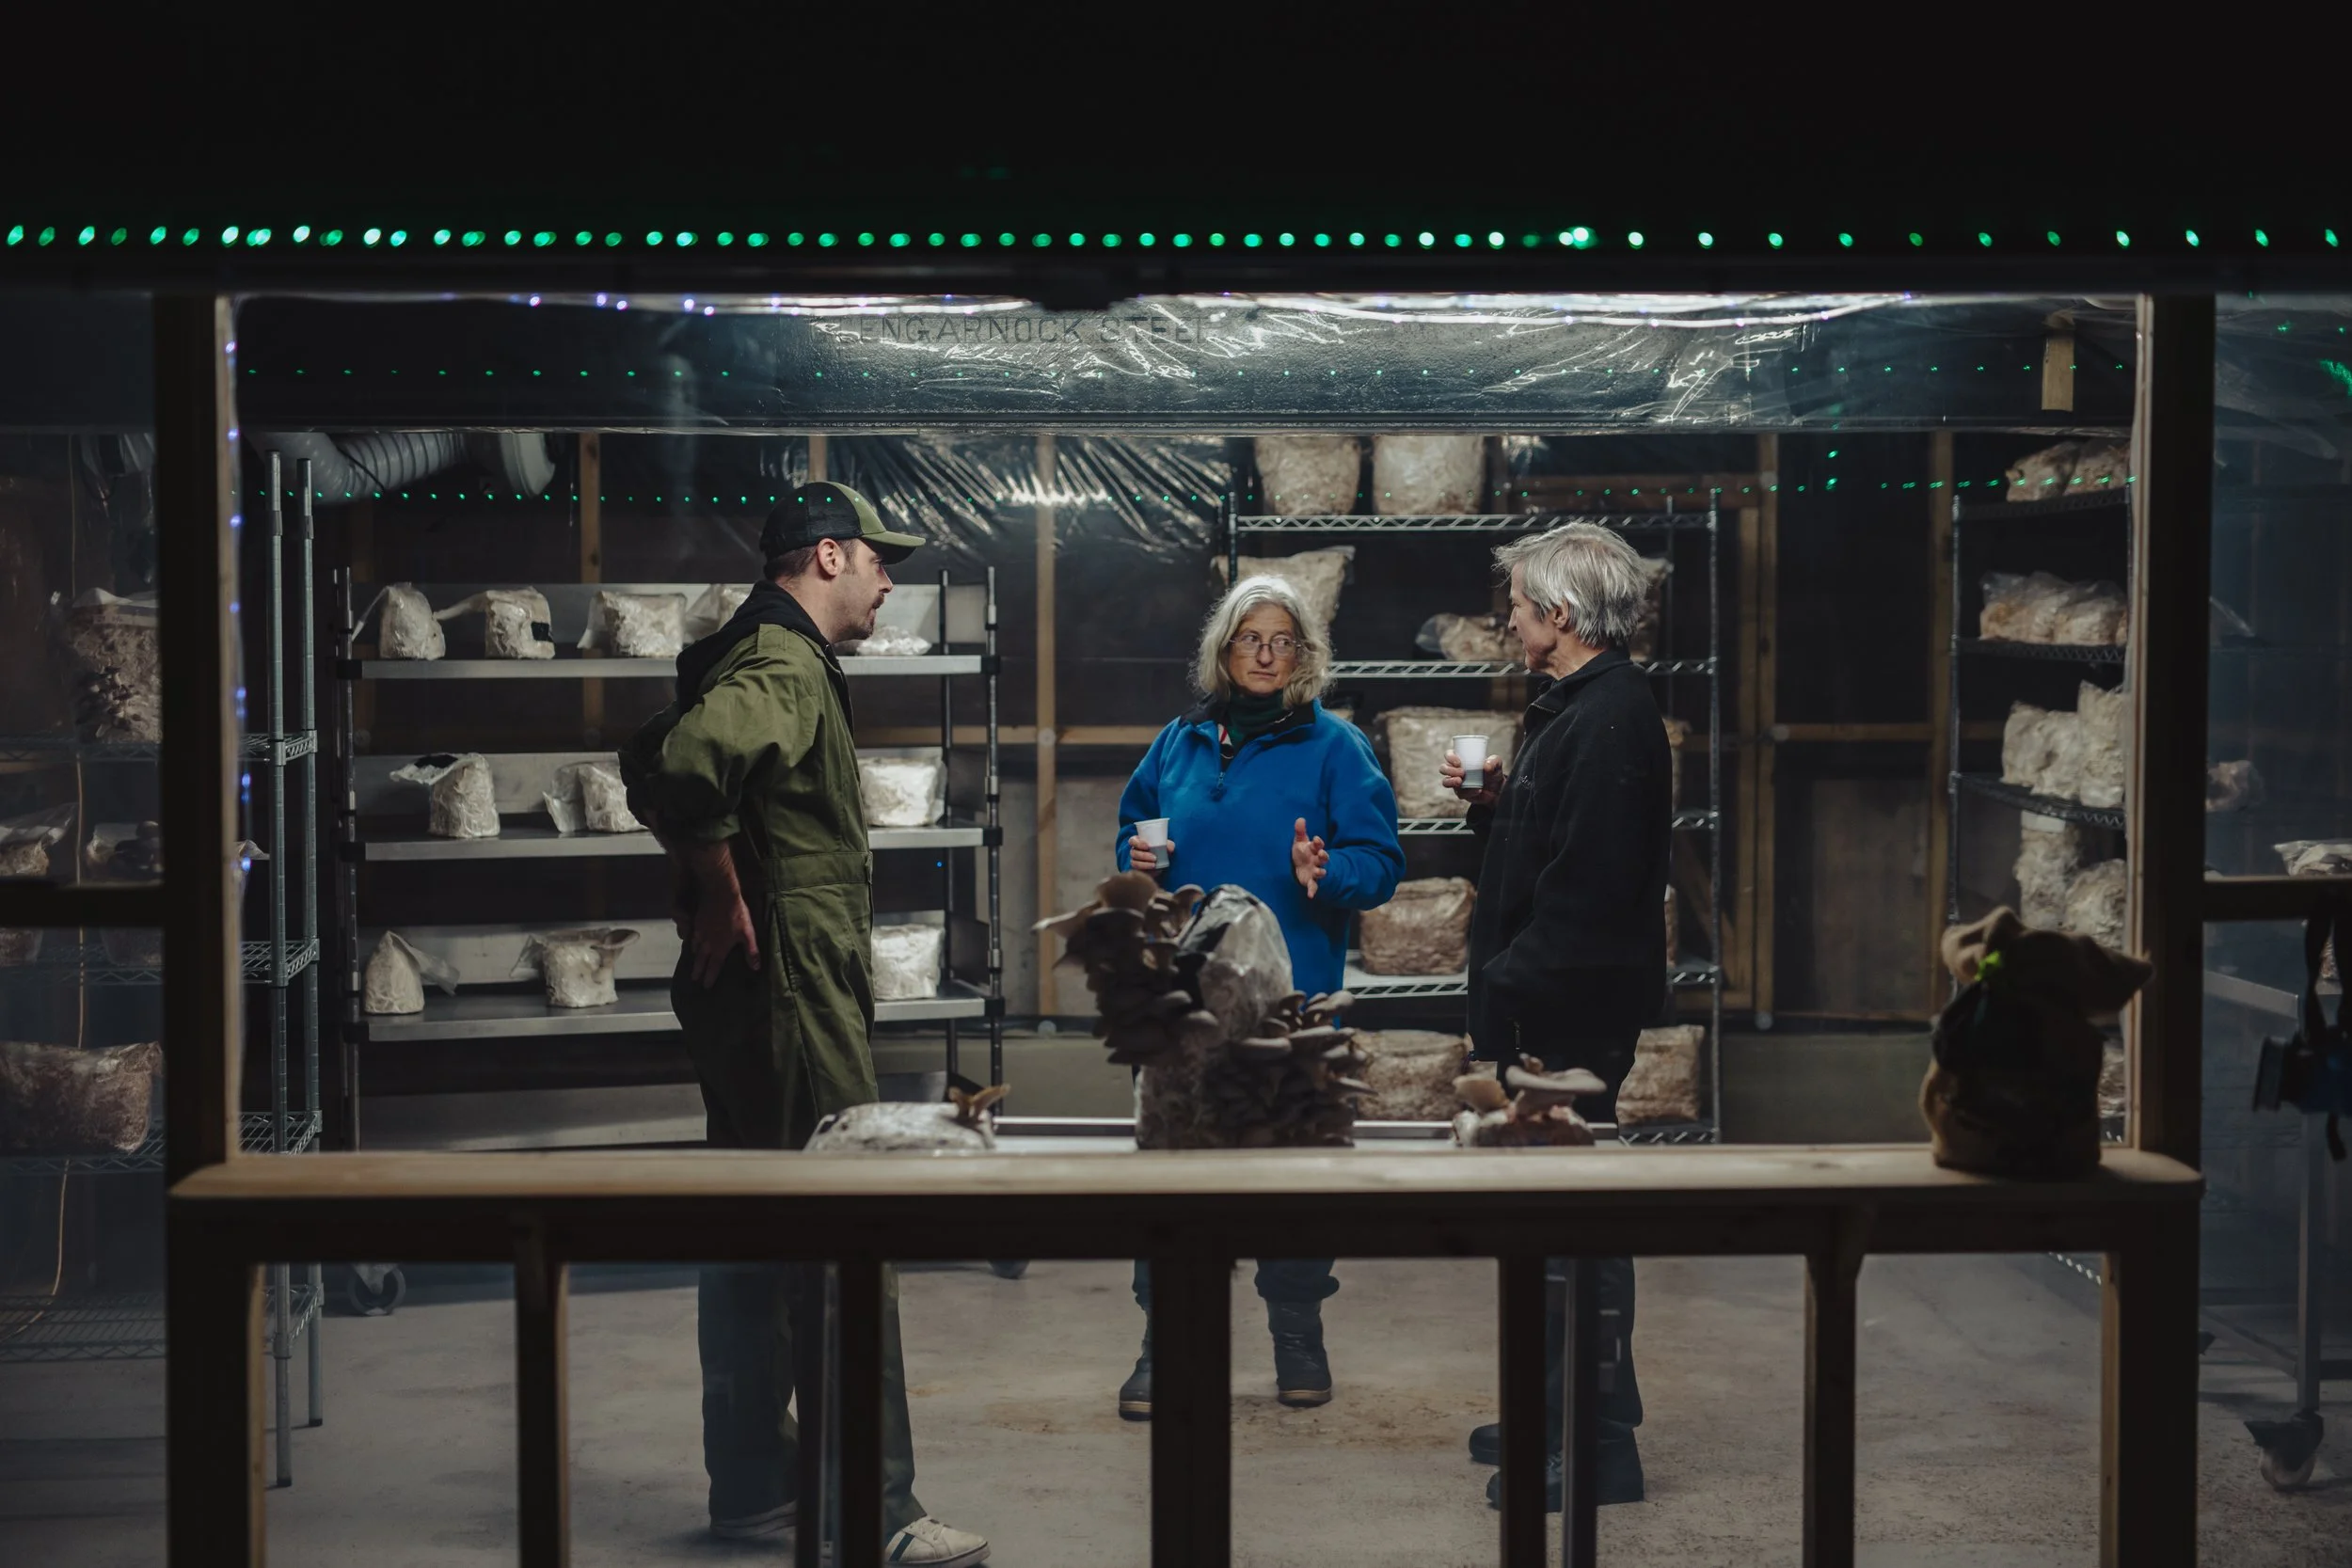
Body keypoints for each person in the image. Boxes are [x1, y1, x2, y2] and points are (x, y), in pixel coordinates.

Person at [619, 481, 989, 1567]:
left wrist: (711, 865)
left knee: (747, 1234)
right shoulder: (783, 662)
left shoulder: (744, 647)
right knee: (843, 1227)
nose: (888, 580)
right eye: (881, 559)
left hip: (753, 982)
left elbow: (647, 749)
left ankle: (753, 1485)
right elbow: (682, 765)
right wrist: (718, 872)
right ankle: (878, 1507)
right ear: (827, 555)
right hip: (790, 980)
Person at [1110, 575, 1406, 1419]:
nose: (1266, 653)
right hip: (1187, 998)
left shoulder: (1336, 747)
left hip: (1292, 1001)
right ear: (1224, 651)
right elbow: (1135, 830)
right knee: (1171, 1170)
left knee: (1294, 1177)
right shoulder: (1179, 741)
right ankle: (1163, 1340)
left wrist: (1330, 872)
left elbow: (1381, 863)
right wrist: (1138, 861)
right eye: (1250, 638)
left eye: (1283, 640)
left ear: (1306, 656)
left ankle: (1297, 1333)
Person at [1440, 521, 1672, 1511]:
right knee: (1545, 1227)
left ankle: (1595, 1444)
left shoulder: (1611, 714)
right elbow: (1560, 847)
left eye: (1521, 605)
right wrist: (1499, 806)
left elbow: (1593, 887)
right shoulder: (1577, 707)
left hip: (1567, 1013)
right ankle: (1554, 1408)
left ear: (1563, 616)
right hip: (1553, 1002)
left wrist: (1510, 995)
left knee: (1575, 1230)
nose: (1509, 618)